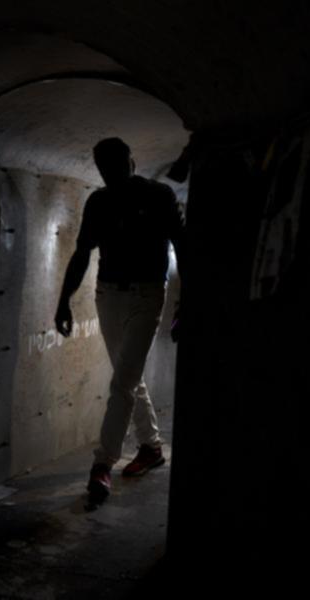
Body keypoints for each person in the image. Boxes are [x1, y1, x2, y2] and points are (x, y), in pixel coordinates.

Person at [54, 137, 184, 505]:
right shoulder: (99, 201)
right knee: (128, 377)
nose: (109, 172)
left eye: (115, 164)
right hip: (107, 294)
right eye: (102, 167)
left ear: (131, 161)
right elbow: (82, 253)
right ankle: (152, 447)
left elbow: (184, 245)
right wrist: (63, 300)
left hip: (147, 295)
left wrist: (187, 299)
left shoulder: (159, 196)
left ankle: (102, 464)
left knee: (122, 383)